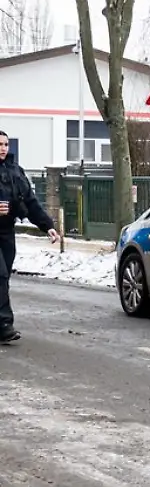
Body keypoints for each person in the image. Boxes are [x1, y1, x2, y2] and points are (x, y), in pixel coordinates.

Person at [0, 132, 60, 343]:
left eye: (6, 144)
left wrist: (47, 226)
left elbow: (31, 202)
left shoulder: (16, 172)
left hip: (6, 231)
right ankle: (4, 324)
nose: (3, 148)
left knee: (4, 276)